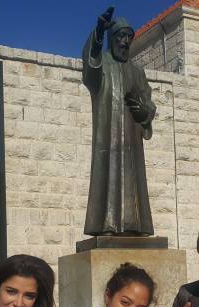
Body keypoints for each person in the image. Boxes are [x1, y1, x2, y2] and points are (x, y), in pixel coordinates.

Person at [82, 7, 157, 236]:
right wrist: (98, 33)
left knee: (134, 181)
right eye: (120, 36)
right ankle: (106, 226)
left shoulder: (137, 71)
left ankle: (136, 226)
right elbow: (90, 67)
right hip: (108, 137)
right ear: (111, 38)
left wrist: (144, 111)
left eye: (129, 37)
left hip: (132, 141)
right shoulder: (102, 64)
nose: (125, 41)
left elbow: (149, 103)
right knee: (108, 175)